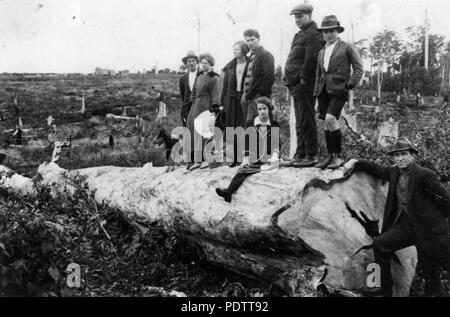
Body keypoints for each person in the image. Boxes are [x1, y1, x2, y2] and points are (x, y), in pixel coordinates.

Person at [343, 139, 450, 297]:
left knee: (430, 273)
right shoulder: (393, 173)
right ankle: (384, 288)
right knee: (380, 244)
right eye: (397, 155)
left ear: (412, 155)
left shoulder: (425, 175)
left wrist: (436, 221)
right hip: (405, 227)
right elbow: (376, 169)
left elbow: (446, 200)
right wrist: (355, 161)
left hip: (427, 231)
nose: (400, 158)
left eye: (404, 154)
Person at [313, 15, 363, 169]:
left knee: (330, 118)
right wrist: (316, 97)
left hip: (339, 89)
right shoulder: (322, 51)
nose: (328, 34)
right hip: (323, 91)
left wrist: (349, 85)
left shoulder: (347, 47)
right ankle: (330, 156)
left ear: (337, 31)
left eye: (331, 31)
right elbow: (318, 75)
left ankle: (338, 156)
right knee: (327, 124)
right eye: (325, 31)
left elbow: (359, 69)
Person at [216, 97, 280, 202]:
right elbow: (246, 142)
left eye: (264, 108)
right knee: (243, 169)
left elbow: (276, 143)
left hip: (268, 157)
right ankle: (228, 192)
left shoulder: (274, 125)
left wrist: (275, 155)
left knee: (247, 169)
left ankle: (228, 192)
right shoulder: (251, 123)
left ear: (269, 109)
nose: (262, 111)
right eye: (259, 109)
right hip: (255, 157)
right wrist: (246, 157)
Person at [284, 3, 325, 167]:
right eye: (295, 17)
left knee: (306, 118)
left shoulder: (314, 34)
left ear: (310, 15)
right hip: (295, 84)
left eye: (300, 16)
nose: (297, 20)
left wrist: (303, 80)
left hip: (304, 84)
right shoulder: (300, 34)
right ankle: (300, 154)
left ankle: (310, 154)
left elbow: (311, 59)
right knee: (300, 119)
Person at [184, 53, 221, 171]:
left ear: (210, 64)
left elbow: (216, 94)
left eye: (205, 63)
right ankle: (197, 160)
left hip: (207, 105)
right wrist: (192, 106)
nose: (203, 65)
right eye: (202, 63)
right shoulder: (198, 76)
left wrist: (214, 110)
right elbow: (194, 93)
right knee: (194, 131)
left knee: (205, 132)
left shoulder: (214, 78)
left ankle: (207, 159)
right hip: (196, 106)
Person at [220, 41, 250, 167]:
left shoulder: (250, 64)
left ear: (243, 50)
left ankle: (245, 157)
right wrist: (222, 103)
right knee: (231, 127)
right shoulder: (230, 67)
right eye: (233, 49)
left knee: (243, 126)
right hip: (231, 100)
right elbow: (224, 86)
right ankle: (233, 158)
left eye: (237, 49)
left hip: (244, 99)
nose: (234, 52)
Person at [241, 29, 275, 127]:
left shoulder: (266, 55)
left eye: (252, 39)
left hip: (257, 98)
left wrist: (260, 96)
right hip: (246, 97)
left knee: (257, 126)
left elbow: (269, 78)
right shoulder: (251, 56)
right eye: (247, 40)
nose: (250, 43)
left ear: (259, 39)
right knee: (248, 125)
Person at [179, 51, 200, 127]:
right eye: (189, 61)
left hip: (199, 106)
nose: (191, 63)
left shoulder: (202, 75)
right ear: (186, 63)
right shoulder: (183, 78)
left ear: (196, 62)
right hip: (187, 108)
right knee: (187, 127)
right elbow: (183, 94)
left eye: (193, 61)